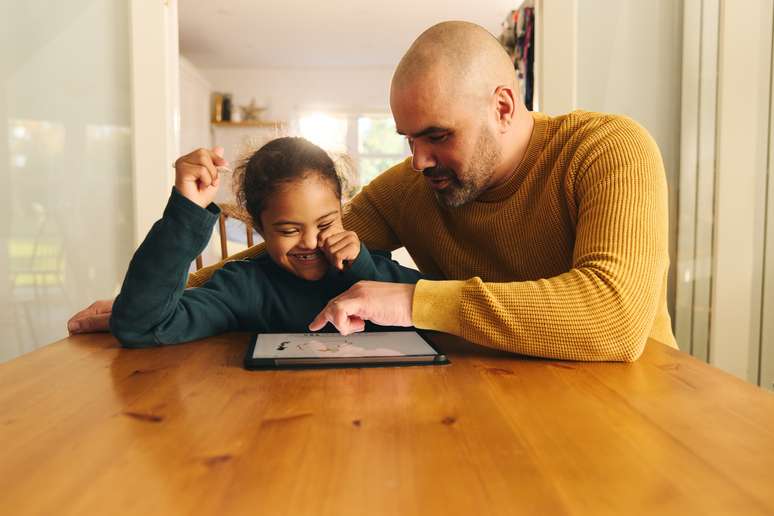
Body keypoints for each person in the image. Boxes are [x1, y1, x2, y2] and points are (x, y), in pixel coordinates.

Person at [70, 21, 676, 361]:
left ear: (502, 105)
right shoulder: (415, 185)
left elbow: (615, 319)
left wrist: (414, 302)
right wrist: (158, 297)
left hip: (625, 402)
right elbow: (298, 249)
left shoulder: (607, 150)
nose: (418, 160)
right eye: (409, 137)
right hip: (494, 397)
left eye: (437, 135)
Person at [109, 137, 423, 347]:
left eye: (326, 223)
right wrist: (185, 212)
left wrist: (365, 270)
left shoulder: (379, 272)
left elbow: (444, 311)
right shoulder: (243, 287)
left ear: (342, 211)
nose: (311, 242)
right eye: (289, 230)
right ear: (259, 226)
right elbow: (142, 327)